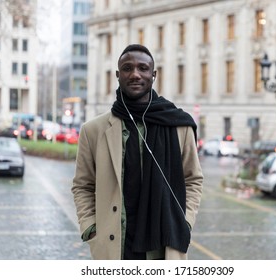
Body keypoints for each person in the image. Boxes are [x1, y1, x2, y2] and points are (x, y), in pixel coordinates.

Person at [72, 44, 203, 260]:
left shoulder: (179, 125)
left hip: (163, 244)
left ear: (153, 75)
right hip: (116, 246)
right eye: (127, 68)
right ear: (117, 75)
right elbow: (82, 185)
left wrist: (185, 221)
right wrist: (90, 227)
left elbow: (193, 180)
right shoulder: (93, 130)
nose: (135, 74)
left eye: (143, 68)